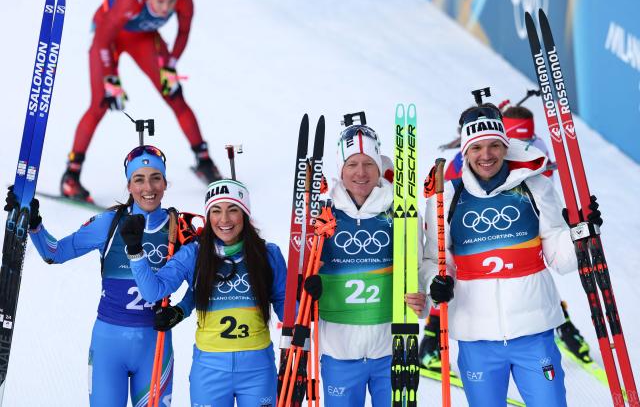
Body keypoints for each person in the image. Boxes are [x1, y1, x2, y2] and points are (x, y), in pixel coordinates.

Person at [410, 103, 603, 407]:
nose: (486, 155)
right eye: (477, 148)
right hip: (476, 338)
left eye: (494, 146)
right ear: (465, 152)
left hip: (535, 333)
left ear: (505, 146)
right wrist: (436, 282)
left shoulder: (535, 188)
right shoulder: (446, 198)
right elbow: (435, 260)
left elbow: (560, 258)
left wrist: (582, 233)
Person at [4, 145, 187, 406]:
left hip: (154, 343)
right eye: (139, 179)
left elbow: (202, 280)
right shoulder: (108, 223)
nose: (148, 187)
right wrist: (33, 224)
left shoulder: (177, 228)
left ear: (166, 182)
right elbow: (55, 252)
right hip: (108, 344)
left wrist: (180, 310)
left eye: (156, 178)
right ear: (128, 185)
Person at [119, 179, 287, 406]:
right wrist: (135, 252)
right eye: (216, 211)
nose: (224, 220)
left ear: (245, 214)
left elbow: (289, 313)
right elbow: (153, 291)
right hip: (210, 369)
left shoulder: (268, 254)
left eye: (233, 210)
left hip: (258, 370)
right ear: (208, 217)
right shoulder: (194, 254)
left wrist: (307, 293)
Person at [62, 0, 221, 202]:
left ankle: (204, 162)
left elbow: (183, 33)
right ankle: (71, 176)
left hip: (144, 38)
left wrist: (171, 66)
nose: (165, 8)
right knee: (100, 103)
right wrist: (110, 79)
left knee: (174, 95)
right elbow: (101, 41)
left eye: (169, 2)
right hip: (108, 39)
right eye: (159, 2)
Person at [311, 122, 426, 406]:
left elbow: (420, 266)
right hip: (338, 351)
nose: (360, 173)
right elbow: (302, 273)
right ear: (340, 169)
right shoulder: (323, 213)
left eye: (368, 164)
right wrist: (309, 280)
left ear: (378, 166)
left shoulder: (401, 211)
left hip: (392, 348)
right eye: (352, 164)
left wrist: (424, 296)